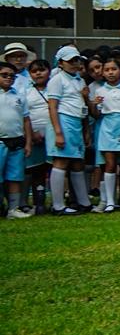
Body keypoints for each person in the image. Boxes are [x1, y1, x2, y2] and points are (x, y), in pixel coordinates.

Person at [45, 46, 92, 216]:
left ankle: (83, 201)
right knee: (61, 162)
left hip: (76, 123)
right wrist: (58, 132)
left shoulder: (79, 80)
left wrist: (86, 131)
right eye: (70, 61)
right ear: (61, 63)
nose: (74, 64)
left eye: (76, 60)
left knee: (77, 163)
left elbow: (84, 107)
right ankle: (58, 205)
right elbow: (52, 106)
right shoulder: (57, 80)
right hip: (63, 122)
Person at [88, 56, 120, 213]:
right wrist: (94, 105)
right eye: (107, 70)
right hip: (107, 129)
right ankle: (110, 201)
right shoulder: (99, 90)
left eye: (114, 69)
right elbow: (96, 115)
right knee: (109, 165)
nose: (110, 72)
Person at [0, 62, 34, 219]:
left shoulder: (19, 96)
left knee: (15, 176)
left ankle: (13, 208)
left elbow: (26, 120)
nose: (8, 78)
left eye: (12, 76)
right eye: (4, 75)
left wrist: (27, 142)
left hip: (17, 141)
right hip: (1, 141)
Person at [23, 60, 51, 214]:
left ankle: (58, 201)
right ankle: (38, 203)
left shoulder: (54, 88)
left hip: (54, 133)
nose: (38, 73)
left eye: (42, 70)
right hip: (35, 134)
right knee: (37, 170)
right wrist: (32, 133)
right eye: (34, 71)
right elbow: (24, 115)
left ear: (49, 71)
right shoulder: (26, 92)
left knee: (55, 168)